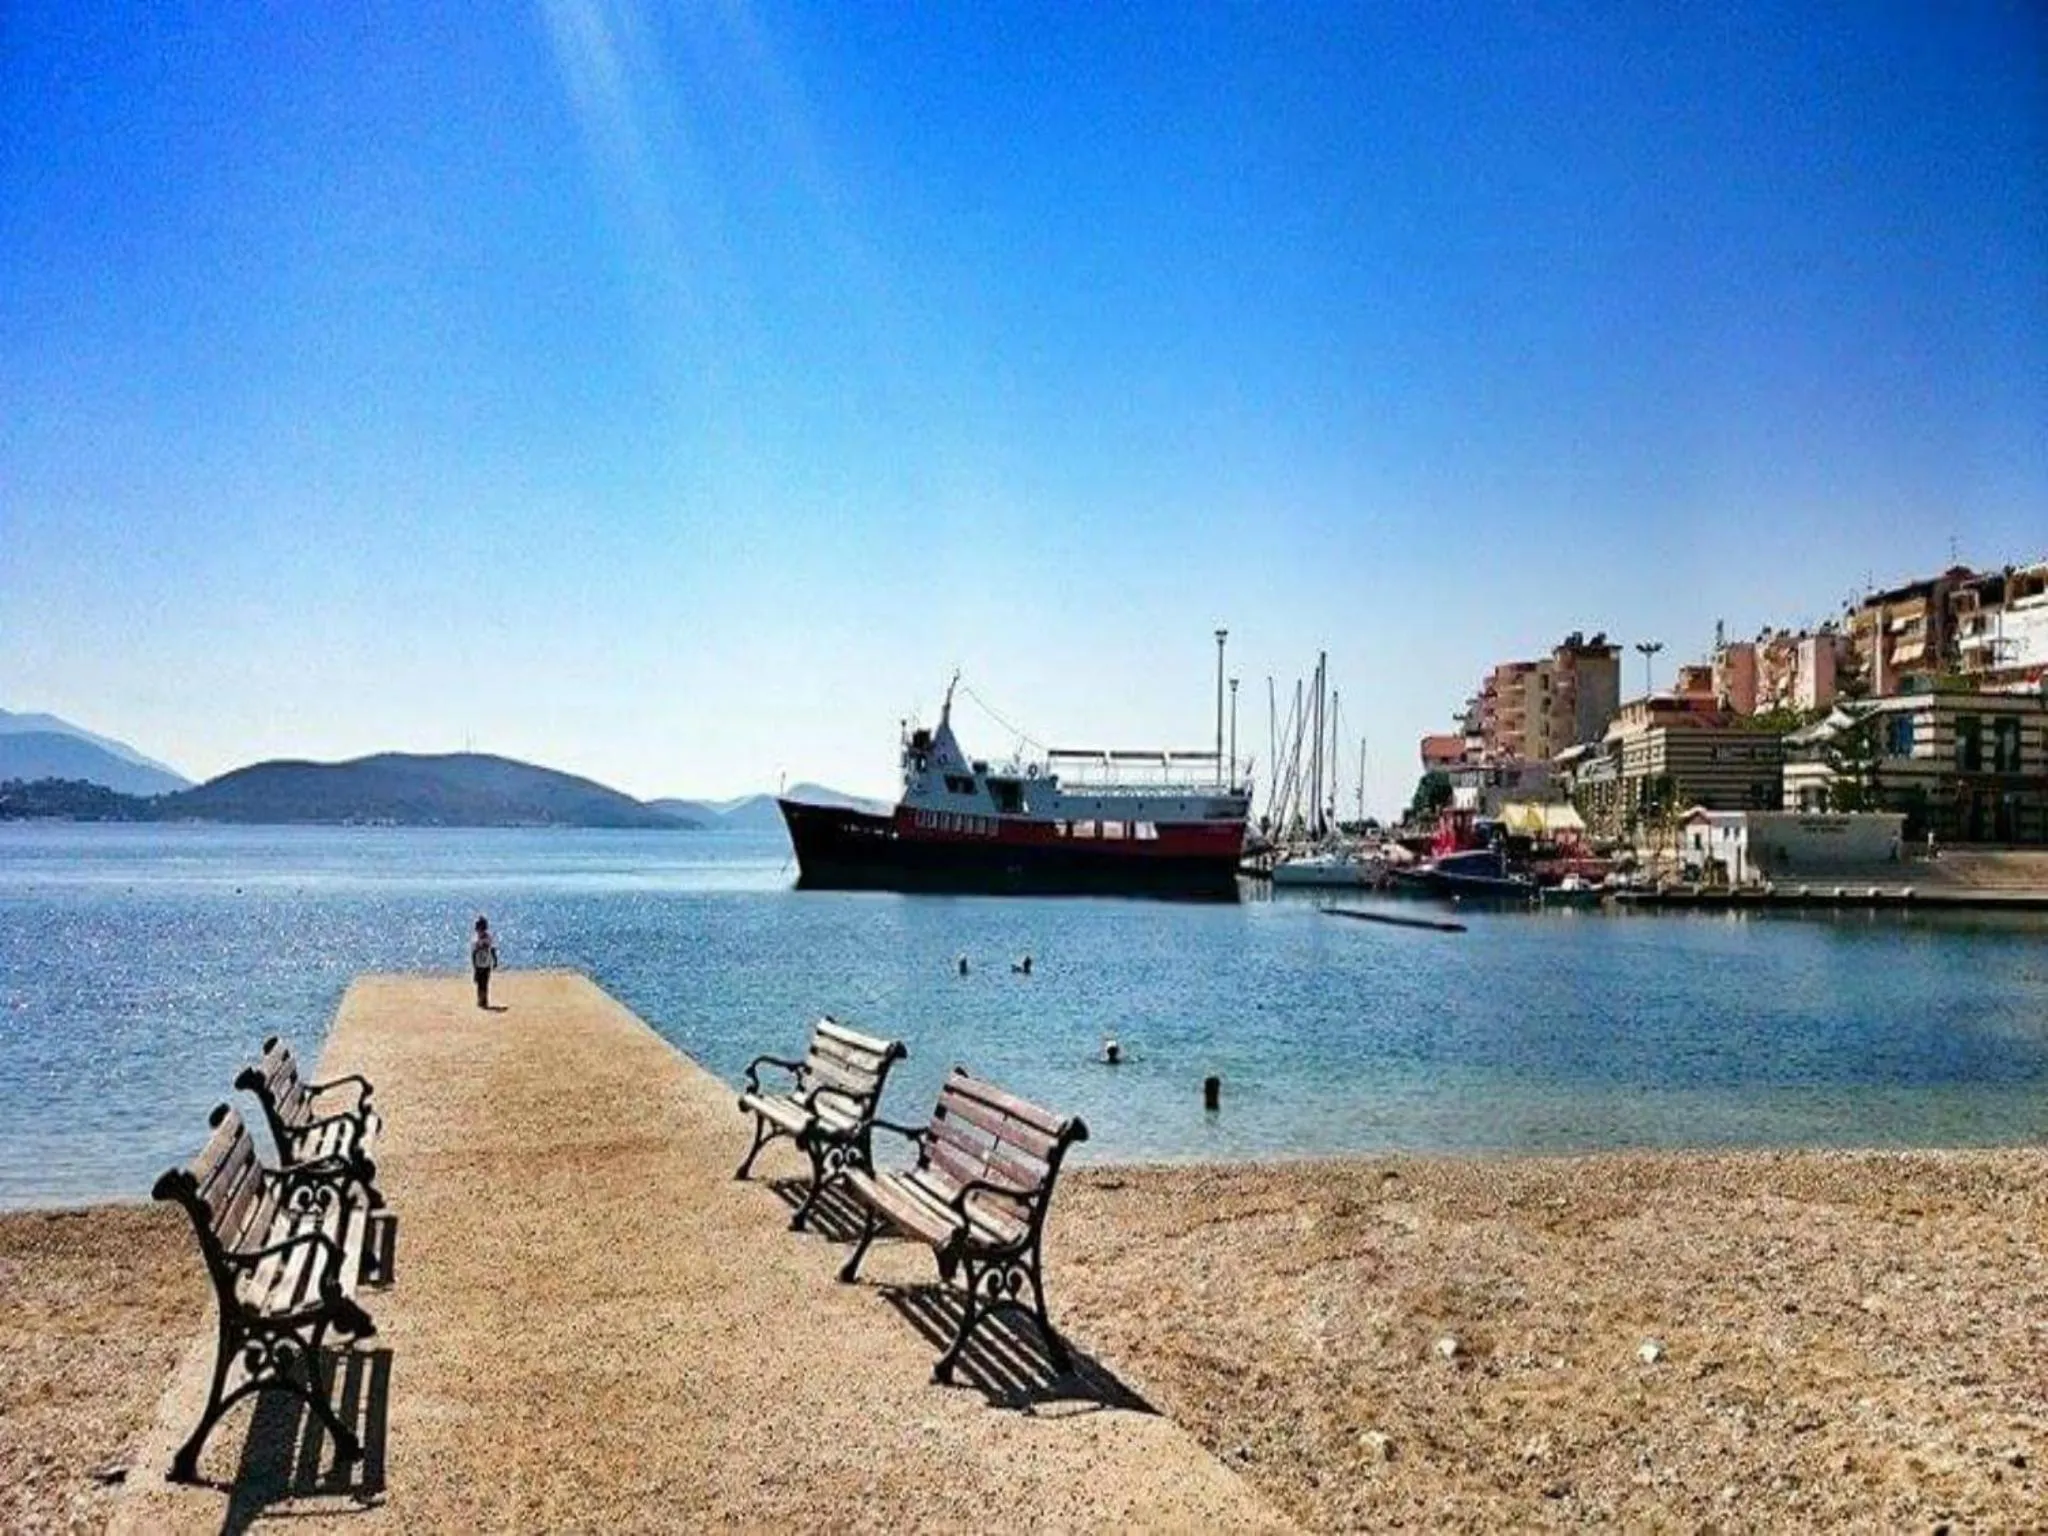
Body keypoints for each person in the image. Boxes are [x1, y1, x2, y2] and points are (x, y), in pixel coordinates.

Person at [471, 916, 499, 1008]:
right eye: (479, 929)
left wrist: (495, 960)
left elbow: (493, 950)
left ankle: (484, 1000)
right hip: (478, 965)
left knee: (485, 983)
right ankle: (480, 1000)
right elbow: (473, 954)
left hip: (487, 964)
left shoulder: (489, 938)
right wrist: (474, 967)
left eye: (482, 929)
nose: (480, 931)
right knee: (479, 983)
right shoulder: (475, 940)